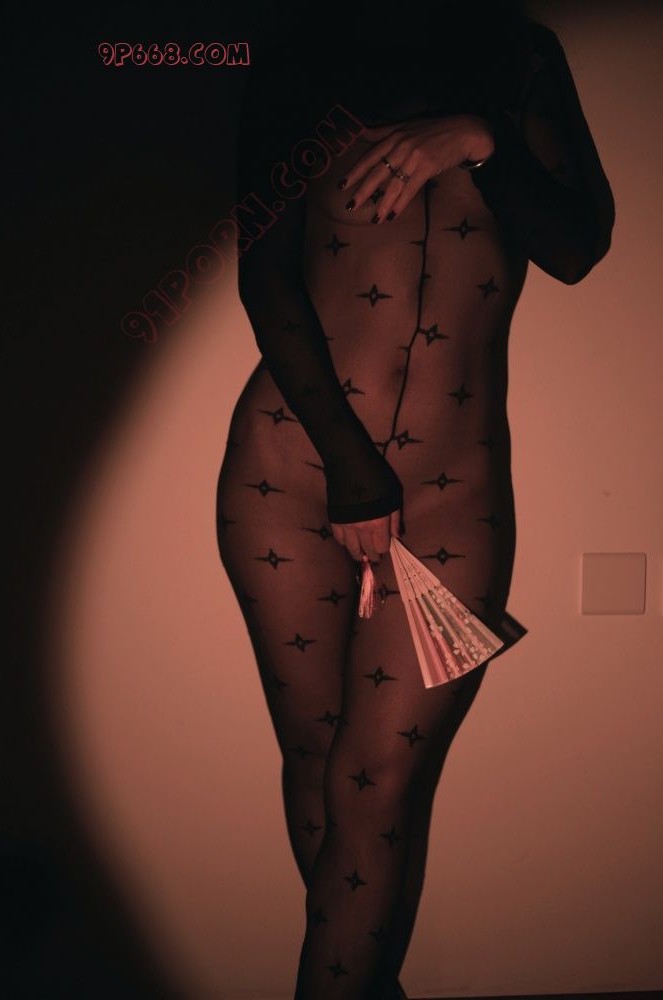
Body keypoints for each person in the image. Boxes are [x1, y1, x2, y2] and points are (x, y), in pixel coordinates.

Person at [216, 2, 615, 996]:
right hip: (290, 470)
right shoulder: (298, 57)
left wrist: (479, 137)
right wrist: (353, 471)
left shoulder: (518, 54)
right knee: (319, 756)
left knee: (377, 781)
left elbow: (576, 246)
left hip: (452, 490)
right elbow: (266, 281)